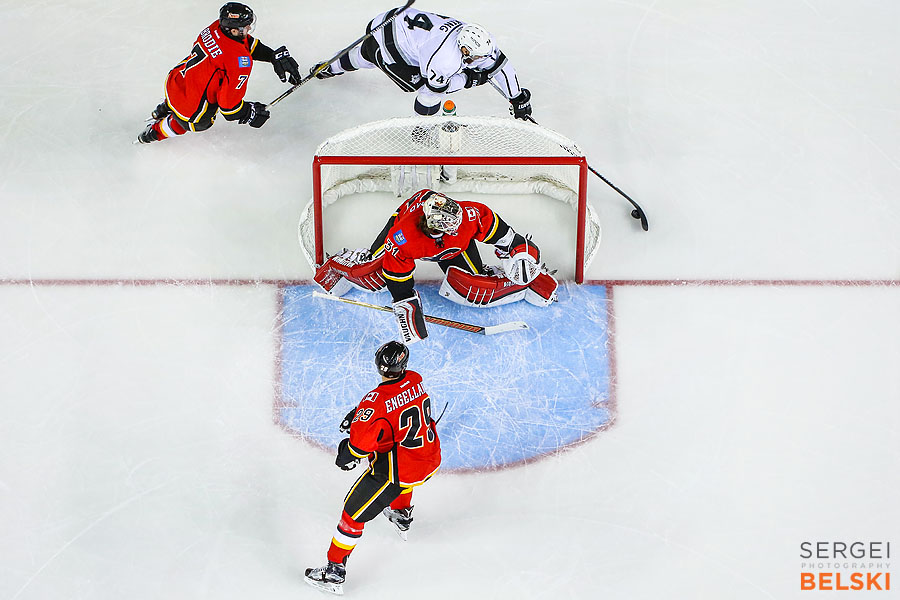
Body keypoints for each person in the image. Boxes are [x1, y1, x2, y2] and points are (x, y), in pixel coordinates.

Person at [314, 190, 558, 344]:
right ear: (433, 228)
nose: (457, 229)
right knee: (371, 275)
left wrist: (522, 258)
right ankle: (338, 268)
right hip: (406, 227)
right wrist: (406, 304)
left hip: (456, 249)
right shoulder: (403, 236)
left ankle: (529, 285)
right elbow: (396, 276)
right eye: (450, 229)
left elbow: (509, 239)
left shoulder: (471, 214)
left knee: (472, 288)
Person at [304, 341, 441, 595]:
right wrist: (361, 413)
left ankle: (334, 571)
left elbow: (358, 448)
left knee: (352, 514)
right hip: (429, 457)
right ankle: (401, 514)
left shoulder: (374, 403)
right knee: (404, 477)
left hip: (396, 472)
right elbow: (394, 406)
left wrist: (346, 453)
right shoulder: (415, 380)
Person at [311, 7, 532, 120]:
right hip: (387, 39)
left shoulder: (478, 40)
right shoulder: (445, 60)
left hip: (393, 18)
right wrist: (469, 79)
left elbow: (499, 65)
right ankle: (421, 129)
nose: (480, 61)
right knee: (415, 84)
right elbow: (434, 89)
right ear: (464, 50)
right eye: (475, 58)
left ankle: (328, 66)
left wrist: (517, 97)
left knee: (368, 54)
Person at [136, 3, 301, 144]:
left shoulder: (216, 27)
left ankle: (162, 109)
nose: (249, 28)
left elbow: (243, 43)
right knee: (195, 124)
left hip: (177, 81)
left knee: (196, 82)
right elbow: (229, 108)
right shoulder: (239, 62)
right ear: (233, 30)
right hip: (192, 109)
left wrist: (272, 56)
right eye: (245, 26)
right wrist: (249, 112)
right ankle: (155, 132)